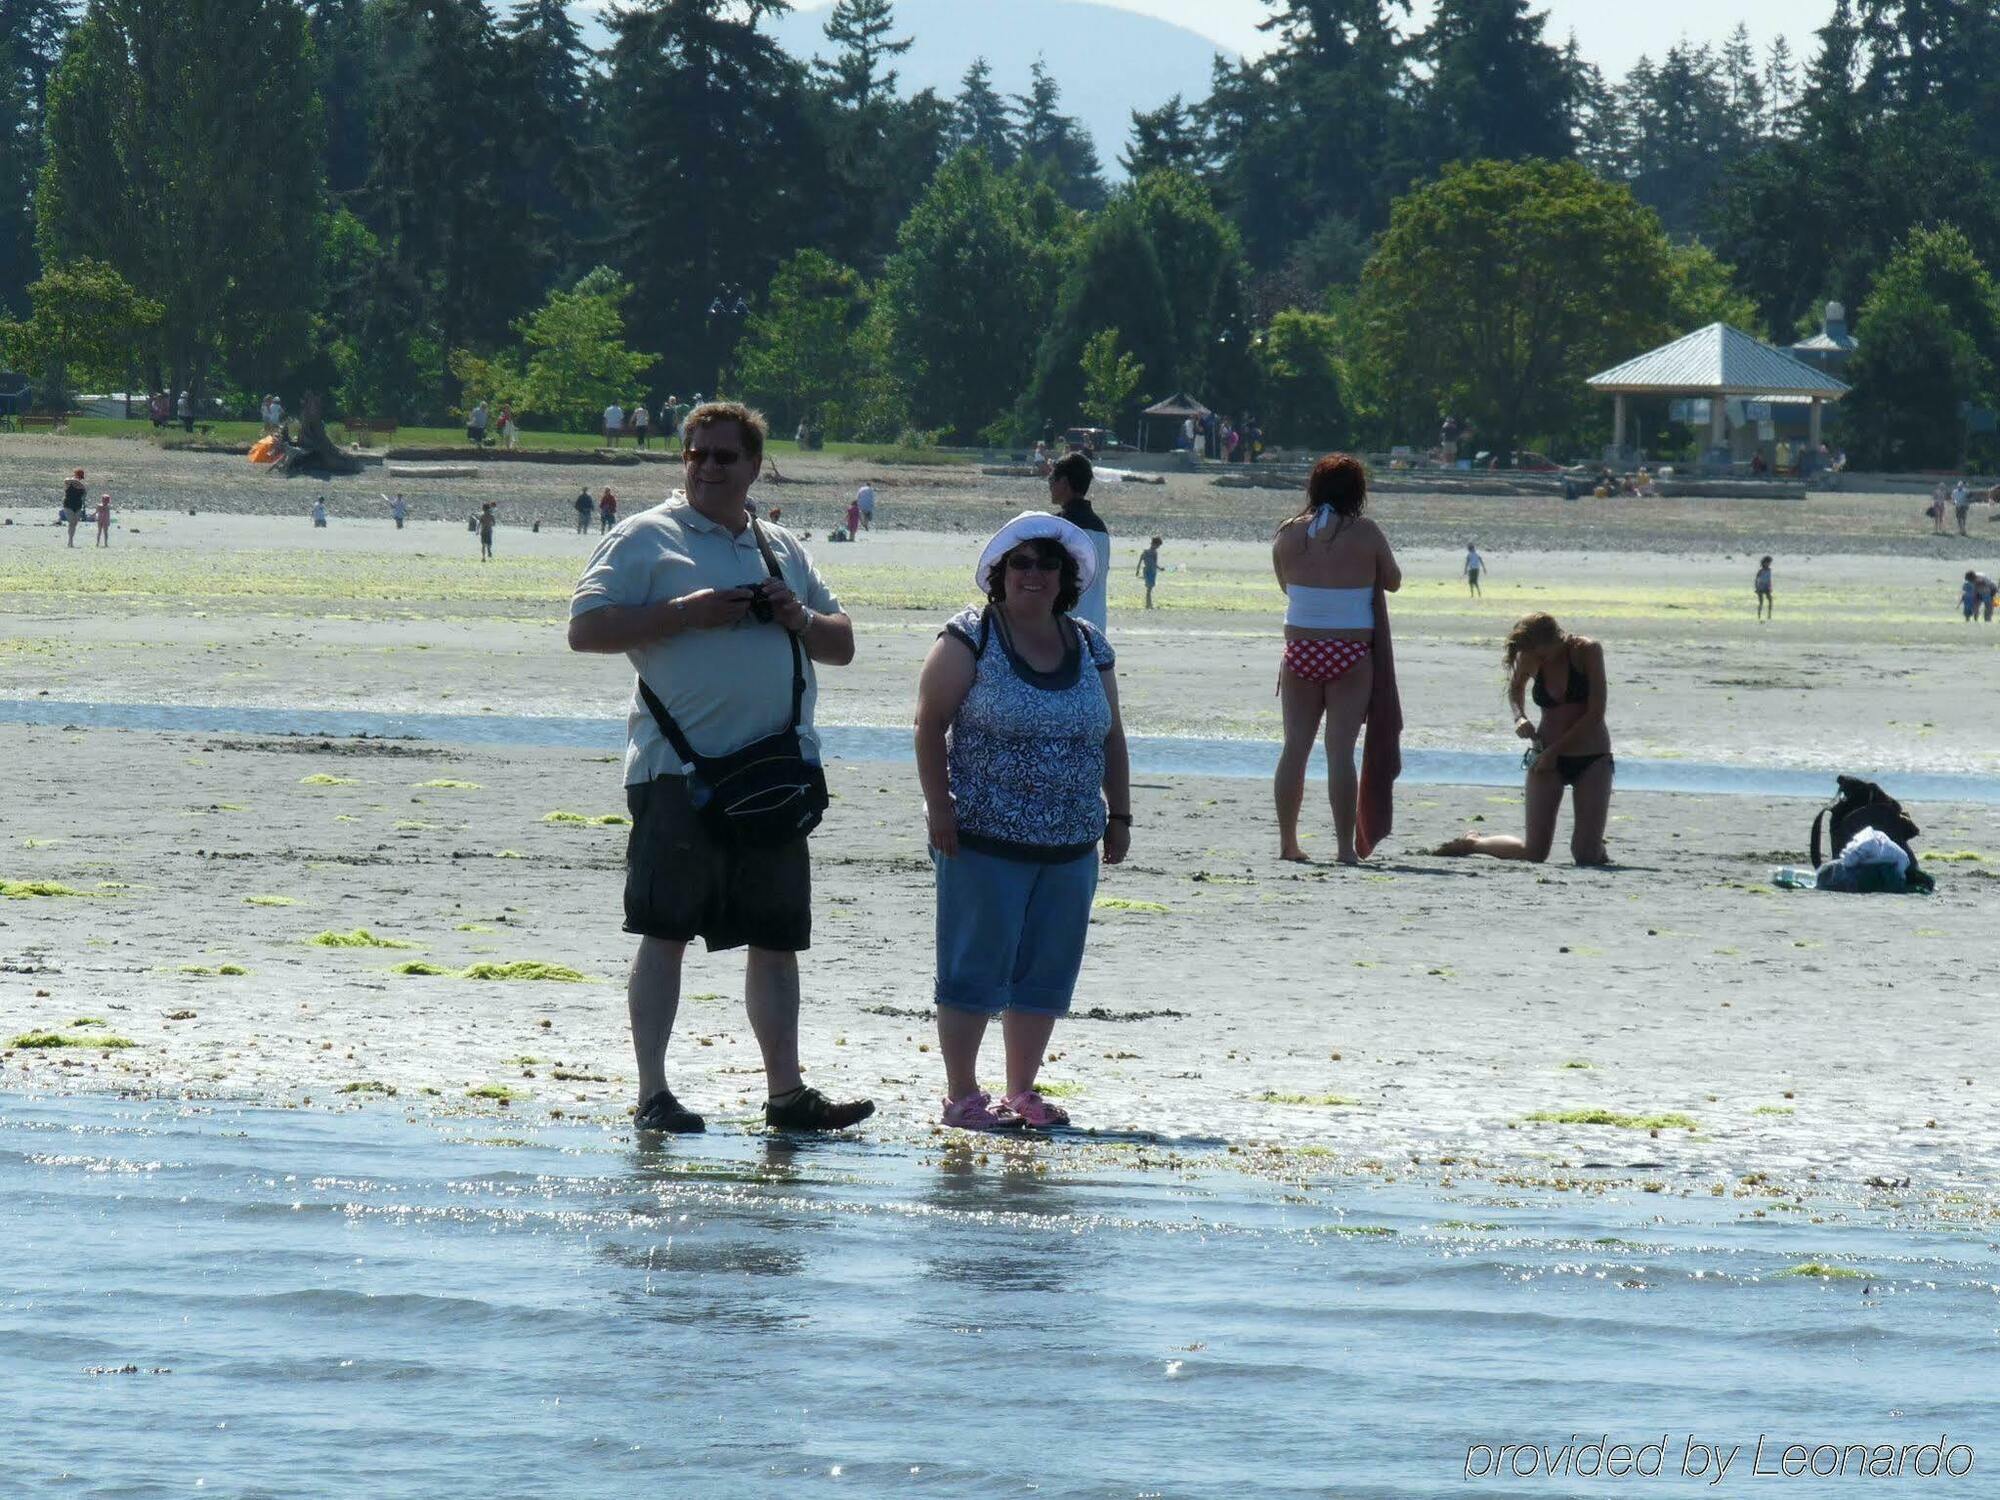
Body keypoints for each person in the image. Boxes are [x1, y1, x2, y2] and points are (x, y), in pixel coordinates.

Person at [567, 399, 871, 1135]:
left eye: (724, 456)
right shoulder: (644, 537)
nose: (708, 467)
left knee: (776, 939)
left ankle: (786, 1095)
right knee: (664, 930)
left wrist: (795, 615)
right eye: (697, 454)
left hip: (773, 773)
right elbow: (585, 629)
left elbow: (841, 643)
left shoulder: (781, 547)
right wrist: (687, 612)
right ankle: (653, 1093)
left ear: (754, 466)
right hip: (678, 771)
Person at [913, 511, 1130, 1131]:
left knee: (1045, 972)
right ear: (999, 573)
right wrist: (940, 807)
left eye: (1048, 564)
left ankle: (1022, 1093)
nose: (1034, 575)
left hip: (1070, 842)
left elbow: (1111, 735)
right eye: (1021, 563)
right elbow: (929, 726)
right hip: (981, 837)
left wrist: (1121, 814)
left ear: (1068, 577)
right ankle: (961, 1096)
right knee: (972, 968)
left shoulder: (1089, 643)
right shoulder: (969, 636)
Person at [1272, 455, 1402, 865]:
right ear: (1357, 492)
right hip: (1350, 651)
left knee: (1295, 748)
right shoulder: (1365, 532)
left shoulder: (1289, 534)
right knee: (1339, 751)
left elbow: (1284, 585)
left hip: (1300, 650)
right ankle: (1345, 849)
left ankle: (1288, 844)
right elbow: (1394, 581)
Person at [1435, 614, 1613, 866]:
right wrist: (1520, 717)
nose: (1536, 661)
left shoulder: (1586, 651)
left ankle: (1594, 844)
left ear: (1556, 639)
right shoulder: (1530, 655)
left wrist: (1554, 751)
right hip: (1545, 755)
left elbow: (1595, 713)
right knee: (1534, 852)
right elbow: (1516, 688)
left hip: (1592, 757)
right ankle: (1473, 842)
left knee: (1584, 855)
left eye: (1542, 654)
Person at [1049, 452, 1110, 633]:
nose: (1050, 484)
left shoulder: (1058, 527)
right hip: (1096, 625)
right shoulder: (1101, 528)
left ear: (1065, 482)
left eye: (1052, 478)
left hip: (1064, 628)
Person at [61, 468, 86, 547]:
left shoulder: (82, 486)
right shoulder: (69, 483)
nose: (80, 479)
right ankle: (70, 541)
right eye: (80, 476)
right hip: (68, 504)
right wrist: (77, 482)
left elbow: (84, 495)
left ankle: (71, 540)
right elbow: (66, 480)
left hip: (78, 505)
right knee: (71, 522)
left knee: (74, 523)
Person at [1137, 536, 1162, 609]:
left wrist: (1137, 570)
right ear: (1154, 544)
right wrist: (1160, 568)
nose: (1158, 547)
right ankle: (1148, 605)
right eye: (1158, 545)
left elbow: (1140, 561)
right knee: (1149, 589)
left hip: (1149, 571)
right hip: (1150, 572)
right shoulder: (1152, 552)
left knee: (1149, 589)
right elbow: (1154, 563)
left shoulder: (1146, 552)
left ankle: (1149, 604)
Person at [1755, 555, 1773, 621]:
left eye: (1769, 563)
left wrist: (1770, 587)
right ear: (1764, 563)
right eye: (1767, 563)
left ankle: (1769, 614)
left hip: (1766, 588)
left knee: (1770, 600)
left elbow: (1769, 579)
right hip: (1760, 588)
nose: (1768, 564)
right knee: (1761, 602)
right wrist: (1756, 588)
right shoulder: (1760, 571)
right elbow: (1756, 580)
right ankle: (1759, 615)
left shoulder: (1769, 570)